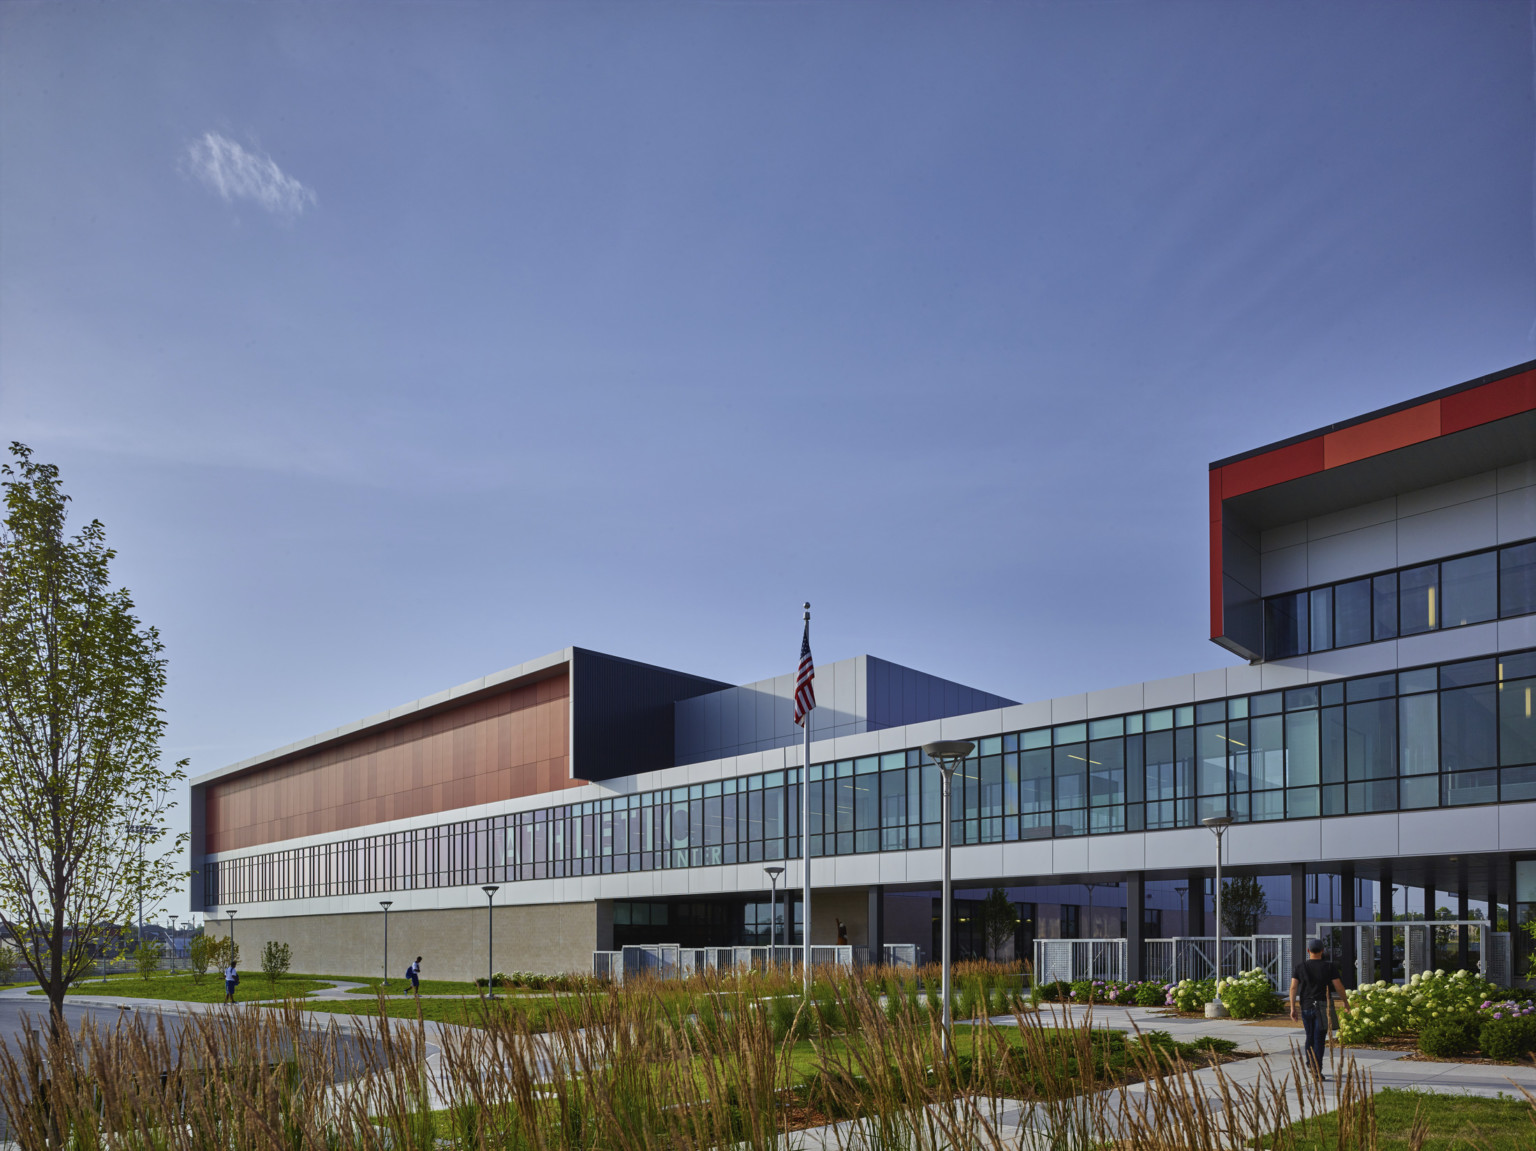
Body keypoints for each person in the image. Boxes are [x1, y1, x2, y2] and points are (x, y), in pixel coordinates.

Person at [1289, 939, 1349, 1079]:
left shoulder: (1300, 967)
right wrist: (1345, 1002)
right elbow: (1338, 986)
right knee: (1319, 1039)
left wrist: (1292, 1008)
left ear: (1308, 951)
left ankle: (1311, 1063)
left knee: (1309, 1036)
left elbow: (1293, 987)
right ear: (1323, 951)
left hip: (1306, 1007)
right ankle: (1317, 1069)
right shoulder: (1330, 967)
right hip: (1323, 1007)